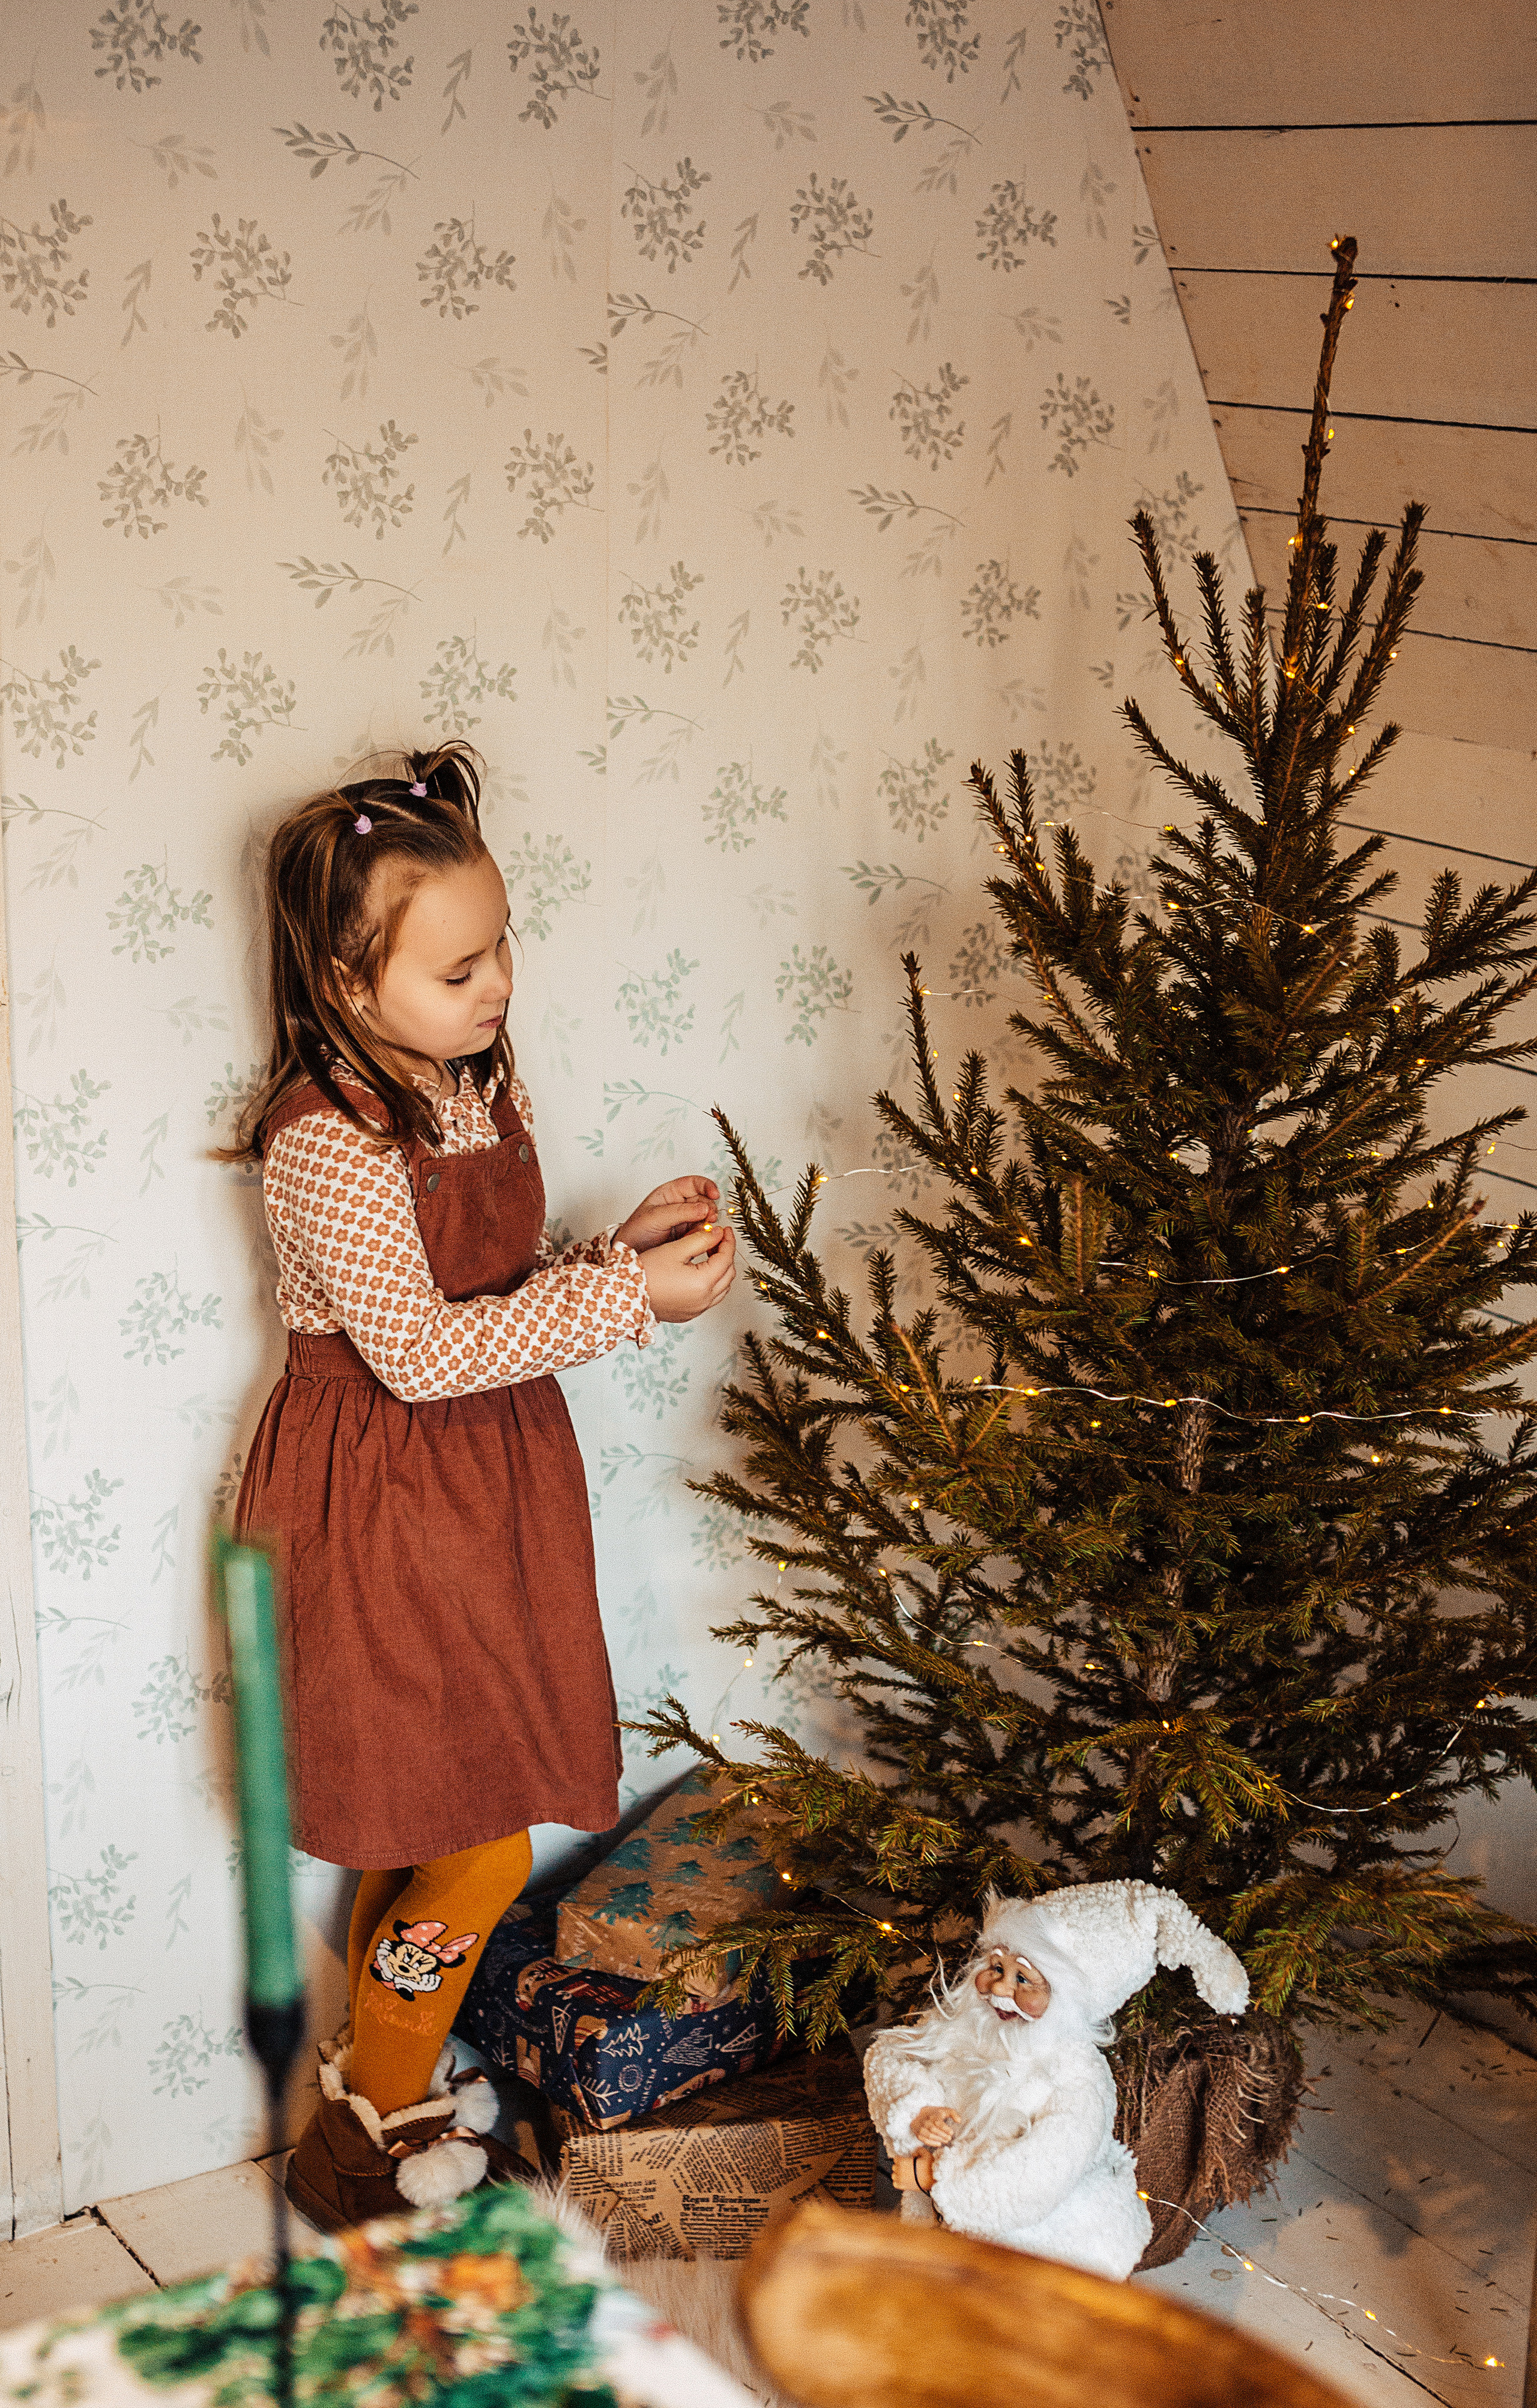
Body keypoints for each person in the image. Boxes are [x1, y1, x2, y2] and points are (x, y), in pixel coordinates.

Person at [225, 741, 735, 2230]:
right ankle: (367, 2125)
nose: (494, 984)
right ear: (342, 976)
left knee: (457, 1810)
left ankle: (373, 2088)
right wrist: (630, 1304)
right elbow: (420, 1355)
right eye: (456, 970)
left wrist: (608, 1256)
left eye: (498, 945)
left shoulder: (462, 1082)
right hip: (386, 1501)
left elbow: (491, 1294)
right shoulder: (324, 1136)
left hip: (484, 1487)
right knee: (469, 1830)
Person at [862, 1880, 1248, 2280]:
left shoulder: (1077, 2079)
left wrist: (935, 2180)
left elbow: (1040, 2176)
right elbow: (890, 2058)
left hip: (1043, 2252)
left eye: (1023, 1978)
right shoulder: (969, 2026)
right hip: (946, 2233)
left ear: (1066, 1998)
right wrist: (918, 2107)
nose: (998, 1987)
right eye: (996, 1966)